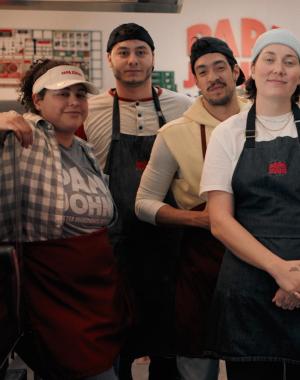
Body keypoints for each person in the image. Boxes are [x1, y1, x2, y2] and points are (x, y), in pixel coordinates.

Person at [79, 23, 194, 380]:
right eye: (124, 52)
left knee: (168, 344)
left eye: (140, 52)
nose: (132, 60)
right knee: (118, 342)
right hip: (114, 248)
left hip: (171, 247)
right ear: (110, 58)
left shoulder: (183, 108)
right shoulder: (87, 109)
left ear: (153, 58)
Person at [0, 59, 125, 380]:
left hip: (98, 291)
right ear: (37, 100)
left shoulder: (85, 150)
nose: (73, 101)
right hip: (52, 294)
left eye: (80, 93)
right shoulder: (20, 136)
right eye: (61, 93)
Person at [135, 36, 249, 380]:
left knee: (255, 356)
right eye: (202, 71)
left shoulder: (270, 120)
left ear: (235, 71)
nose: (212, 77)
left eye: (219, 67)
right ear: (195, 81)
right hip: (203, 260)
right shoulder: (174, 133)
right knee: (197, 357)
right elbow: (143, 203)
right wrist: (199, 219)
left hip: (261, 259)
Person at [200, 28, 300, 380]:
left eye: (290, 61)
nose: (279, 69)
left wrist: (297, 277)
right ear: (253, 69)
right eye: (269, 60)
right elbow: (219, 222)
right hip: (248, 287)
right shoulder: (228, 132)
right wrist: (280, 270)